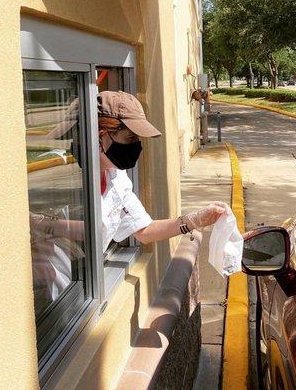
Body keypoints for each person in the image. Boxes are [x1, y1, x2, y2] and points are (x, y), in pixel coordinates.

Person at [30, 91, 229, 308]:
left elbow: (144, 231)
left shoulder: (116, 176)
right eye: (131, 138)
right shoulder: (60, 174)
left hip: (79, 291)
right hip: (46, 286)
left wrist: (194, 220)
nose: (137, 147)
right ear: (101, 135)